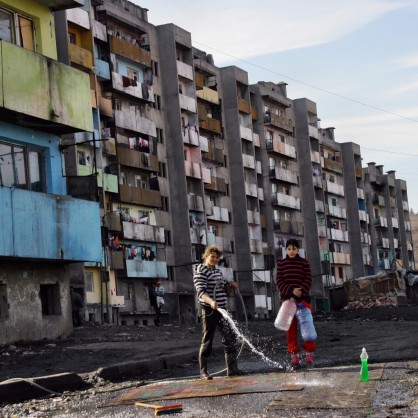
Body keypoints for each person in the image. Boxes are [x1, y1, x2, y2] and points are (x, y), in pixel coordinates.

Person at [193, 244, 244, 380]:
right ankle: (203, 372)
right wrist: (211, 302)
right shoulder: (201, 270)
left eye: (217, 257)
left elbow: (224, 290)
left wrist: (231, 287)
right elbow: (201, 292)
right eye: (212, 257)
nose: (215, 259)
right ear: (206, 256)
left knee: (230, 337)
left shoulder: (217, 272)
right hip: (209, 310)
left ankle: (232, 369)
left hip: (222, 310)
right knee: (208, 339)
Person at [276, 239, 316, 370]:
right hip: (287, 301)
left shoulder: (304, 263)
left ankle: (309, 355)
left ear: (298, 250)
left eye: (294, 249)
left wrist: (300, 291)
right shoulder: (282, 264)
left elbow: (308, 279)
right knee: (290, 330)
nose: (291, 251)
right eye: (289, 249)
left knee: (307, 328)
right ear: (286, 250)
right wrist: (291, 291)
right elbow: (279, 281)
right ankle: (294, 358)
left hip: (303, 299)